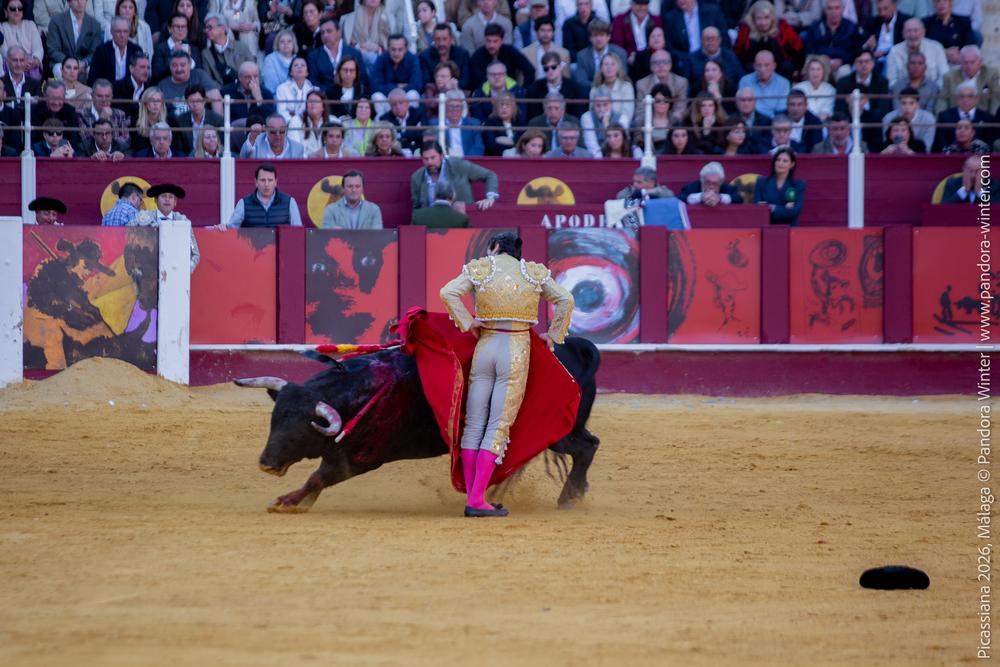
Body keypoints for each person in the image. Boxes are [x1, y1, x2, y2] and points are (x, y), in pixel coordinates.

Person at [439, 231, 574, 518]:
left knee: (474, 423)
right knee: (497, 425)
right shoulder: (533, 272)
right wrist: (553, 335)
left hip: (486, 346)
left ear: (495, 247)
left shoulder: (481, 268)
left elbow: (448, 292)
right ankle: (477, 500)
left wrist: (468, 322)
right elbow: (565, 300)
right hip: (515, 350)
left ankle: (474, 496)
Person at [411, 140, 499, 211]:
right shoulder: (416, 177)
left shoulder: (458, 165)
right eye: (426, 159)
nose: (429, 162)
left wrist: (490, 198)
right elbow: (416, 209)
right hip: (431, 222)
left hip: (461, 220)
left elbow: (490, 175)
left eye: (433, 158)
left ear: (442, 156)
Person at [132, 182, 200, 272]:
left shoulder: (183, 221)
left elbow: (194, 253)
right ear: (156, 200)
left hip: (174, 271)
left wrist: (184, 271)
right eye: (163, 196)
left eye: (171, 197)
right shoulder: (142, 218)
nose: (167, 200)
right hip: (147, 273)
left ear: (175, 202)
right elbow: (128, 240)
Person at [733, 0, 804, 82]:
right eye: (759, 18)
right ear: (753, 18)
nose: (763, 22)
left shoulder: (783, 27)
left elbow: (799, 49)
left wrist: (796, 69)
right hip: (753, 72)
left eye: (766, 18)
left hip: (780, 71)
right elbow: (737, 54)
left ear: (772, 17)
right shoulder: (745, 29)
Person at [223, 163, 303, 229]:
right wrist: (222, 228)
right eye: (262, 180)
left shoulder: (289, 202)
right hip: (252, 244)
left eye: (270, 180)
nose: (266, 184)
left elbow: (298, 232)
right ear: (256, 182)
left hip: (281, 244)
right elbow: (230, 229)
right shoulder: (243, 203)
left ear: (275, 182)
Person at [47, 0, 103, 79]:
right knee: (58, 69)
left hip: (83, 64)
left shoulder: (95, 24)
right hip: (62, 62)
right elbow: (53, 49)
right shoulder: (56, 21)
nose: (80, 2)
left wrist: (84, 63)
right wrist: (70, 63)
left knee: (93, 70)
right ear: (69, 2)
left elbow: (95, 52)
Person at [886, 18, 947, 89]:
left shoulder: (936, 48)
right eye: (909, 31)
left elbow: (944, 76)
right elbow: (891, 80)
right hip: (903, 93)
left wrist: (933, 91)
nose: (912, 34)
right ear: (903, 34)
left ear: (923, 32)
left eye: (916, 30)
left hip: (932, 92)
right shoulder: (894, 51)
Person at [201, 12, 255, 88]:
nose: (206, 30)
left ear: (222, 28)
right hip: (222, 92)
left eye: (210, 27)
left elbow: (253, 70)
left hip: (244, 90)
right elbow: (208, 80)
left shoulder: (241, 47)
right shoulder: (206, 54)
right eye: (206, 28)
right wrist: (224, 91)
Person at [753, 146, 805, 225]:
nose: (780, 163)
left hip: (790, 228)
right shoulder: (761, 182)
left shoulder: (798, 185)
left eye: (785, 161)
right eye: (778, 160)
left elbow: (794, 213)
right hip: (767, 227)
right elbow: (758, 210)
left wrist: (771, 207)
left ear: (792, 164)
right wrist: (784, 208)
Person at [170, 84, 225, 156]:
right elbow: (179, 149)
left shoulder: (217, 120)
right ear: (187, 103)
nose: (195, 104)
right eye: (191, 101)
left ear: (204, 101)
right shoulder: (180, 121)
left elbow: (220, 146)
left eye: (198, 100)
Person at [737, 49, 790, 119]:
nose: (762, 69)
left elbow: (781, 110)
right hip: (752, 120)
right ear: (754, 66)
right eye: (759, 65)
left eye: (766, 65)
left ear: (774, 66)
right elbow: (742, 106)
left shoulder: (784, 83)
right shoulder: (745, 81)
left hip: (773, 121)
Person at [1, 0, 43, 79]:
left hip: (31, 64)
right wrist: (21, 60)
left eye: (20, 8)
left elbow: (38, 49)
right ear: (6, 12)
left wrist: (35, 60)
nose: (17, 11)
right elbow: (4, 51)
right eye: (13, 9)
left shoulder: (31, 25)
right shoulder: (1, 27)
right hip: (11, 64)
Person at [240, 112, 305, 158]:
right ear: (266, 129)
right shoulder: (255, 141)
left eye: (281, 131)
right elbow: (243, 157)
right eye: (273, 131)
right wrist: (252, 139)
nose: (278, 134)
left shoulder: (297, 148)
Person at [792, 55, 836, 121]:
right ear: (807, 71)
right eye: (812, 69)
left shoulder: (830, 89)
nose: (815, 73)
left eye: (818, 69)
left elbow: (827, 111)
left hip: (822, 123)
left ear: (823, 71)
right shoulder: (798, 88)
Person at [481, 89, 521, 156]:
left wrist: (503, 141)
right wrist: (513, 144)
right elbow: (492, 146)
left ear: (513, 107)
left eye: (507, 104)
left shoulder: (519, 122)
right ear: (496, 108)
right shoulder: (490, 123)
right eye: (501, 104)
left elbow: (522, 143)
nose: (504, 107)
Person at [262, 28, 298, 93]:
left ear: (294, 44)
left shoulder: (298, 60)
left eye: (289, 41)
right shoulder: (270, 60)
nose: (286, 43)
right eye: (282, 41)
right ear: (277, 44)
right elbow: (270, 86)